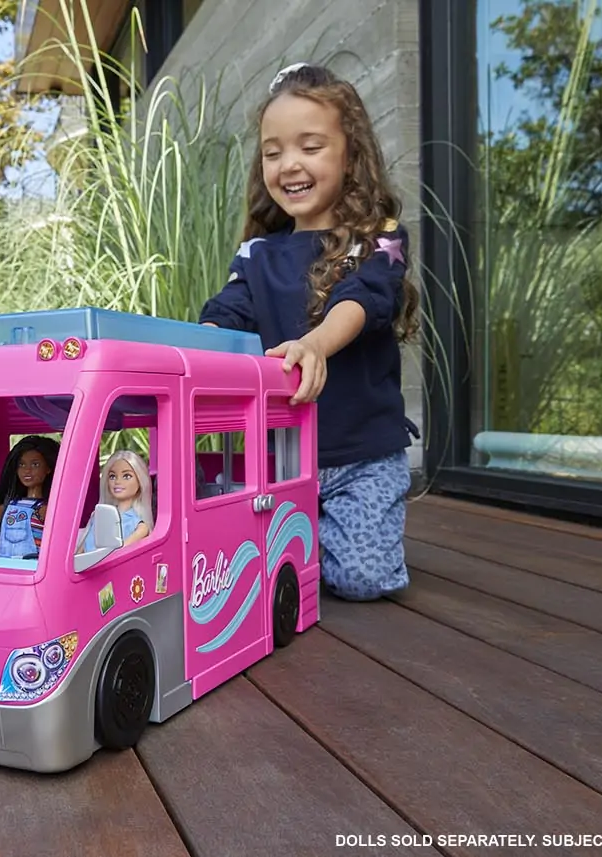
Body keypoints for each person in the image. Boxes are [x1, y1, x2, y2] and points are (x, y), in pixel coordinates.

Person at [198, 62, 420, 602]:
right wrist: (191, 345)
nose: (288, 165)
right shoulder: (256, 254)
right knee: (232, 565)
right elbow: (226, 314)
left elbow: (364, 298)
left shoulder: (379, 237)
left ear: (351, 153)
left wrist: (315, 344)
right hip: (277, 465)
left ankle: (329, 539)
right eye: (273, 152)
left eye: (310, 146)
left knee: (363, 581)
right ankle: (306, 541)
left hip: (363, 460)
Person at [76, 449, 153, 554]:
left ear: (140, 481)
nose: (117, 481)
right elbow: (78, 554)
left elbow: (115, 556)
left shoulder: (140, 527)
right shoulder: (98, 516)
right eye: (112, 476)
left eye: (126, 476)